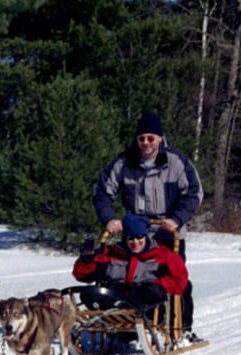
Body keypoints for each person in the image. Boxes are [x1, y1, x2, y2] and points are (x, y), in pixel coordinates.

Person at [93, 112, 203, 339]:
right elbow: (102, 192)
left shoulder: (176, 161)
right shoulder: (123, 163)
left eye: (151, 138)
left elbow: (194, 193)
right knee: (125, 277)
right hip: (136, 230)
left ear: (160, 138)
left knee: (173, 280)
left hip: (167, 231)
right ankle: (124, 325)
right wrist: (109, 219)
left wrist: (176, 219)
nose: (146, 143)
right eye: (142, 138)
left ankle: (181, 328)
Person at [72, 212, 188, 312]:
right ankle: (118, 313)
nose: (135, 242)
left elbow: (180, 279)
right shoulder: (111, 253)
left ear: (146, 237)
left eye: (139, 237)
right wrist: (86, 260)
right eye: (131, 238)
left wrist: (157, 284)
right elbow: (82, 275)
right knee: (89, 293)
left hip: (148, 302)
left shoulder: (163, 254)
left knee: (152, 293)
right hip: (116, 296)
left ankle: (133, 312)